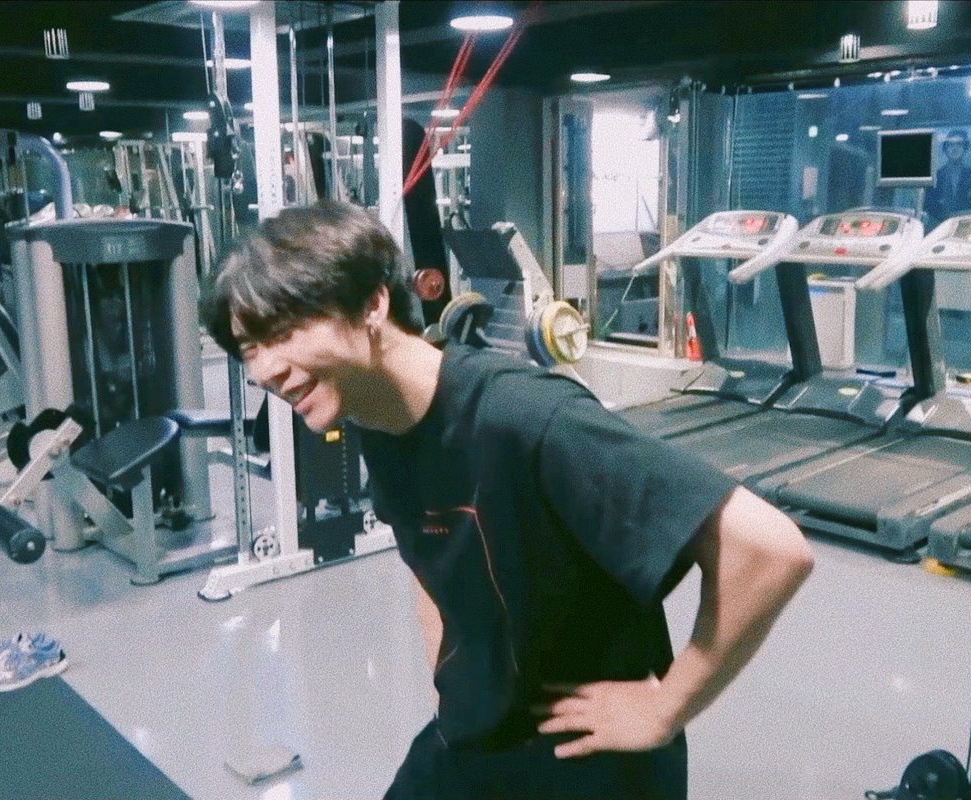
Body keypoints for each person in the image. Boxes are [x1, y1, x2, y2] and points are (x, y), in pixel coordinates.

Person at [203, 200, 814, 800]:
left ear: (372, 304)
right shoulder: (374, 415)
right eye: (248, 349)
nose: (263, 371)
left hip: (581, 750)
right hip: (477, 733)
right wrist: (452, 674)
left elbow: (770, 551)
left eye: (281, 333)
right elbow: (429, 549)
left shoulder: (526, 417)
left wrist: (665, 709)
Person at [925, 129, 971, 223]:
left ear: (965, 147)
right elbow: (927, 206)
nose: (954, 148)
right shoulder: (935, 176)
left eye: (959, 144)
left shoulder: (969, 174)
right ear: (945, 148)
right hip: (939, 224)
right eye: (950, 144)